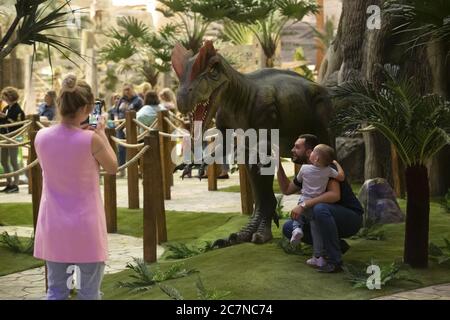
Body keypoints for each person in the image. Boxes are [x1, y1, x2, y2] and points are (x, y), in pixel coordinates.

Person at [33, 74, 118, 300]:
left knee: (55, 291)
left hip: (53, 225)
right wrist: (100, 133)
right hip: (86, 227)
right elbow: (112, 167)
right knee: (89, 293)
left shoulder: (41, 137)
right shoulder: (91, 139)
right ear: (88, 107)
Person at [277, 134, 363, 273]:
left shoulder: (327, 170)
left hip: (350, 217)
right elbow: (287, 190)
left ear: (310, 153)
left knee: (319, 208)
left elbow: (334, 195)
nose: (292, 150)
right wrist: (278, 165)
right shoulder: (308, 170)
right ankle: (336, 245)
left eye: (297, 147)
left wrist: (304, 205)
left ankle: (335, 261)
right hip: (327, 216)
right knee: (289, 227)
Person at [289, 144, 345, 268]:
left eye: (313, 151)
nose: (311, 152)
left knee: (297, 216)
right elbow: (341, 177)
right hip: (317, 204)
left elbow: (298, 180)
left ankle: (297, 229)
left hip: (305, 200)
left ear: (316, 159)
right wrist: (336, 164)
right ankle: (318, 257)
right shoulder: (329, 171)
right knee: (316, 230)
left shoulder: (304, 168)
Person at [0, 87, 25, 193]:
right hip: (5, 137)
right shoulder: (6, 109)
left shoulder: (18, 110)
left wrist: (4, 117)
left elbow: (17, 124)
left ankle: (16, 184)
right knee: (3, 160)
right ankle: (9, 183)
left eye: (4, 95)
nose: (3, 97)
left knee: (14, 160)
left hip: (14, 137)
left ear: (10, 96)